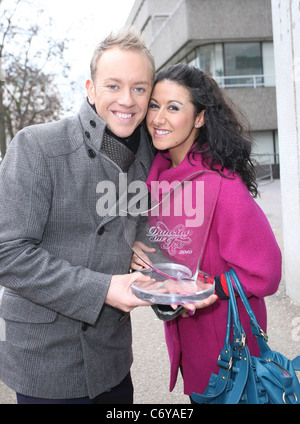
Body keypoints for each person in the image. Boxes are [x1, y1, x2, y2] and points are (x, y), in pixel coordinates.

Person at [0, 27, 156, 404]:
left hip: (113, 359)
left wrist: (155, 264)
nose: (127, 99)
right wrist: (101, 289)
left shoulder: (151, 157)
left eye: (139, 88)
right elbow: (8, 252)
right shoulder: (38, 145)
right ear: (90, 88)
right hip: (46, 361)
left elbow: (148, 232)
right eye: (113, 86)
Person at [131, 63, 282, 400]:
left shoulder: (221, 186)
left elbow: (267, 273)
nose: (158, 118)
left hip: (229, 348)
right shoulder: (156, 179)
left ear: (199, 118)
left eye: (173, 107)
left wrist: (211, 286)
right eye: (154, 105)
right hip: (189, 340)